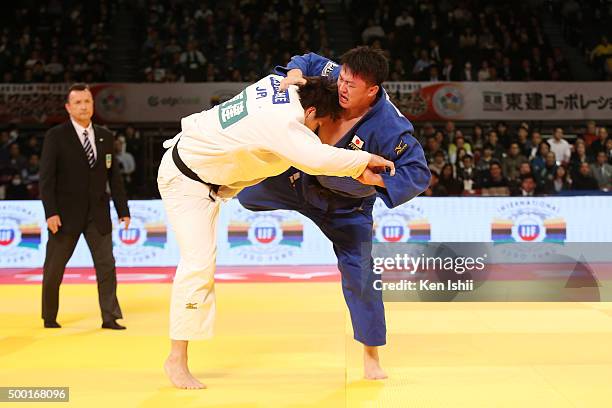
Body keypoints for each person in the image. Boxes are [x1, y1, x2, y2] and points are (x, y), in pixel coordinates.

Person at [157, 75, 395, 390]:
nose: (317, 133)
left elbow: (300, 81)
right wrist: (366, 158)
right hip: (186, 183)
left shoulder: (282, 83)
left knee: (279, 161)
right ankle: (176, 359)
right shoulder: (283, 121)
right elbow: (318, 158)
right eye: (318, 126)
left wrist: (298, 75)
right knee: (199, 264)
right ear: (310, 113)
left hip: (214, 175)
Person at [237, 46, 430, 380]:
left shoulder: (391, 127)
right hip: (300, 180)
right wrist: (294, 74)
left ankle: (371, 357)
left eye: (351, 85)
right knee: (245, 193)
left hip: (347, 208)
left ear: (372, 90)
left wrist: (369, 178)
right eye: (341, 78)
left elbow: (418, 174)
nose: (342, 87)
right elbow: (309, 60)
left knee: (361, 277)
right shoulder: (337, 76)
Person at [39, 83, 130, 330]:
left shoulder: (106, 136)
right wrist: (51, 212)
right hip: (65, 216)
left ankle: (110, 317)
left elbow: (115, 178)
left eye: (87, 101)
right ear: (68, 107)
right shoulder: (56, 136)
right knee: (54, 269)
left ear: (93, 105)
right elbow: (46, 179)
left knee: (107, 267)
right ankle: (49, 316)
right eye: (78, 102)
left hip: (98, 214)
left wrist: (123, 210)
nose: (83, 106)